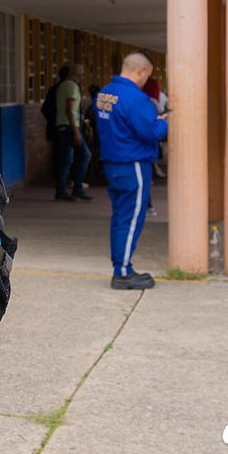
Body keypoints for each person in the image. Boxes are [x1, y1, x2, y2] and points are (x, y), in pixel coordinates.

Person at [94, 53, 169, 290]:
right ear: (141, 71)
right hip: (133, 163)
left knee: (120, 217)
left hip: (113, 162)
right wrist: (164, 121)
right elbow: (151, 132)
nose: (146, 80)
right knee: (131, 219)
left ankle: (122, 266)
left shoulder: (105, 93)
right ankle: (123, 272)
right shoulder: (135, 97)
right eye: (147, 75)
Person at [54, 64, 91, 201]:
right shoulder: (72, 86)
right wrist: (76, 131)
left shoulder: (62, 85)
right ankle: (77, 188)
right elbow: (70, 110)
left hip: (63, 126)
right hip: (70, 126)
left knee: (66, 160)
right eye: (82, 75)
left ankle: (62, 190)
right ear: (78, 75)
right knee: (85, 155)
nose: (83, 78)